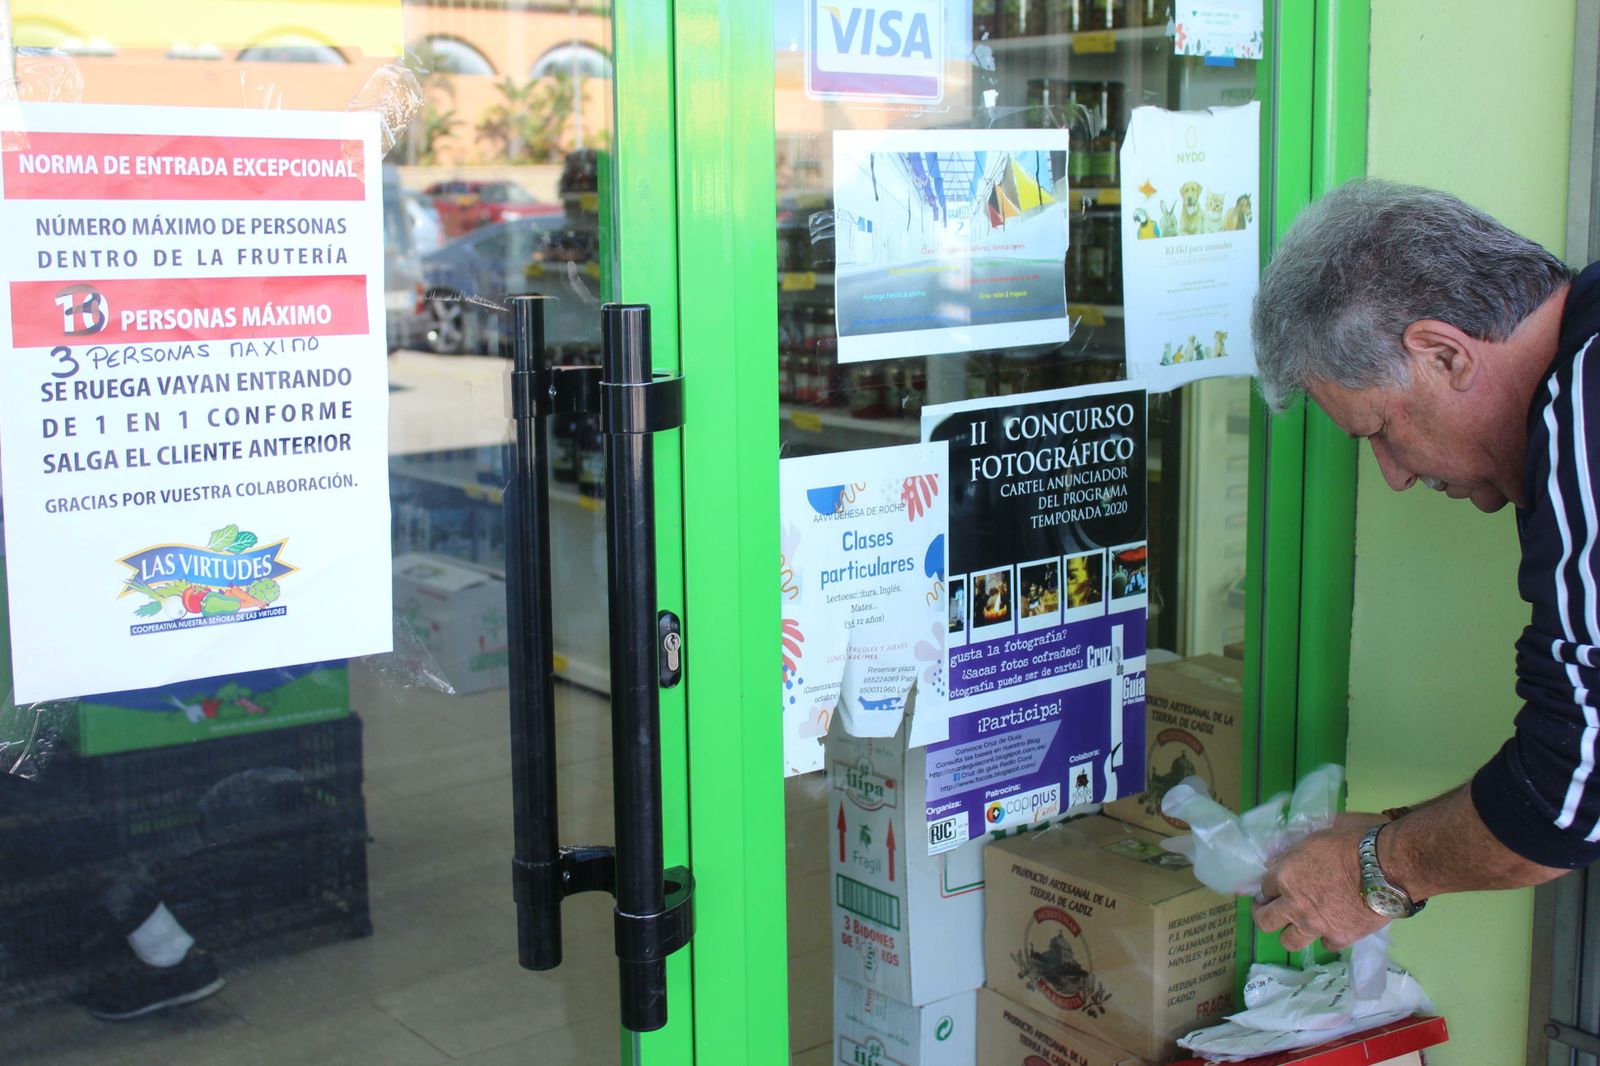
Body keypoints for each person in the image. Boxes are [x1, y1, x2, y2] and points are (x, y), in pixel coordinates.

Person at [1247, 178, 1597, 952]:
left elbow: (1575, 789)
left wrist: (1376, 870)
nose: (1396, 475)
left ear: (1444, 354)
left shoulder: (1584, 417)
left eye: (1378, 429)